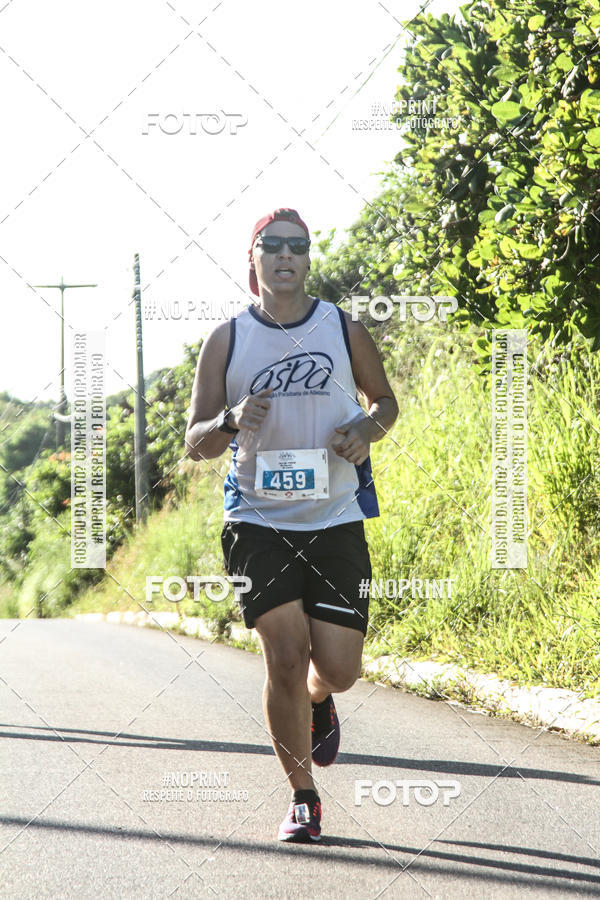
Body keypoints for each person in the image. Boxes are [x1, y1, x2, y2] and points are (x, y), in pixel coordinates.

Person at [185, 207, 398, 842]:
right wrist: (229, 421)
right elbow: (194, 442)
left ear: (308, 258)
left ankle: (318, 697)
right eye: (270, 245)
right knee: (283, 658)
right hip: (257, 520)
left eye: (296, 246)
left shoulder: (342, 327)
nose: (284, 255)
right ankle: (302, 795)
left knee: (337, 668)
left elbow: (385, 402)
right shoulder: (226, 339)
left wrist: (368, 427)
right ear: (252, 259)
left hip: (334, 519)